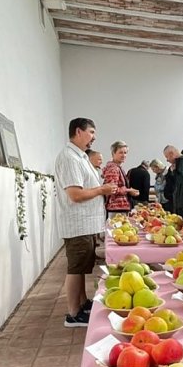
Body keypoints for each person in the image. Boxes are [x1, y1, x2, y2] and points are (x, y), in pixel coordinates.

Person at [55, 118, 116, 327]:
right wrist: (102, 190)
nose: (94, 137)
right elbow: (75, 194)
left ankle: (82, 303)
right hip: (77, 223)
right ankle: (73, 314)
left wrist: (102, 188)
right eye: (91, 132)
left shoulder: (80, 157)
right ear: (78, 131)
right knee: (75, 268)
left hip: (86, 224)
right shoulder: (69, 158)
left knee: (81, 267)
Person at [101, 141, 139, 215]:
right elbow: (111, 189)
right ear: (113, 154)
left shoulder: (118, 167)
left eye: (125, 153)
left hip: (120, 207)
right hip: (116, 208)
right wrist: (129, 190)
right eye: (120, 152)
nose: (123, 155)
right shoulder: (113, 168)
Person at [163, 144, 183, 225]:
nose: (167, 160)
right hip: (180, 204)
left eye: (167, 157)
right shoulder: (178, 164)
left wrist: (174, 172)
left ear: (171, 154)